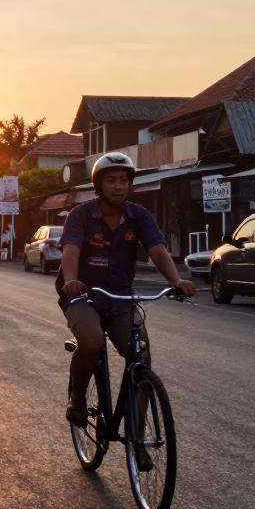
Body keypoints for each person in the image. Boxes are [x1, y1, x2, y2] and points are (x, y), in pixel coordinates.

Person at [57, 152, 195, 429]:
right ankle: (78, 399)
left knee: (141, 355)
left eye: (123, 180)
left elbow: (157, 249)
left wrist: (175, 281)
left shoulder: (139, 216)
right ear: (98, 185)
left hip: (120, 297)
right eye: (111, 181)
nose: (118, 186)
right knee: (93, 342)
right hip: (83, 295)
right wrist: (71, 280)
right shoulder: (80, 215)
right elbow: (71, 250)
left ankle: (138, 433)